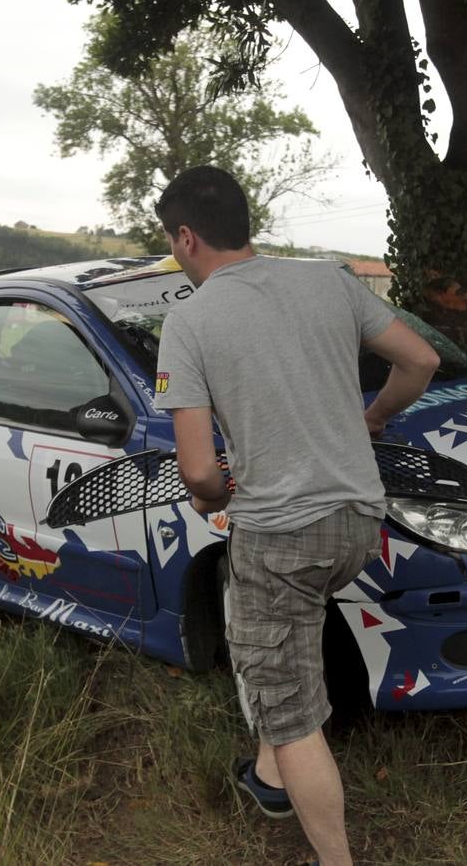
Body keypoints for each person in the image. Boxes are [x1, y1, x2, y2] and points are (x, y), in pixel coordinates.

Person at [152, 167, 439, 865]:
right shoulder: (328, 278)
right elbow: (422, 359)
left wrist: (212, 494)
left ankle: (334, 857)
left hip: (280, 535)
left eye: (171, 241)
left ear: (186, 237)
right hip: (356, 523)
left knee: (288, 709)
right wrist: (370, 417)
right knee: (282, 643)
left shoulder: (189, 321)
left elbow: (196, 471)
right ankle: (268, 779)